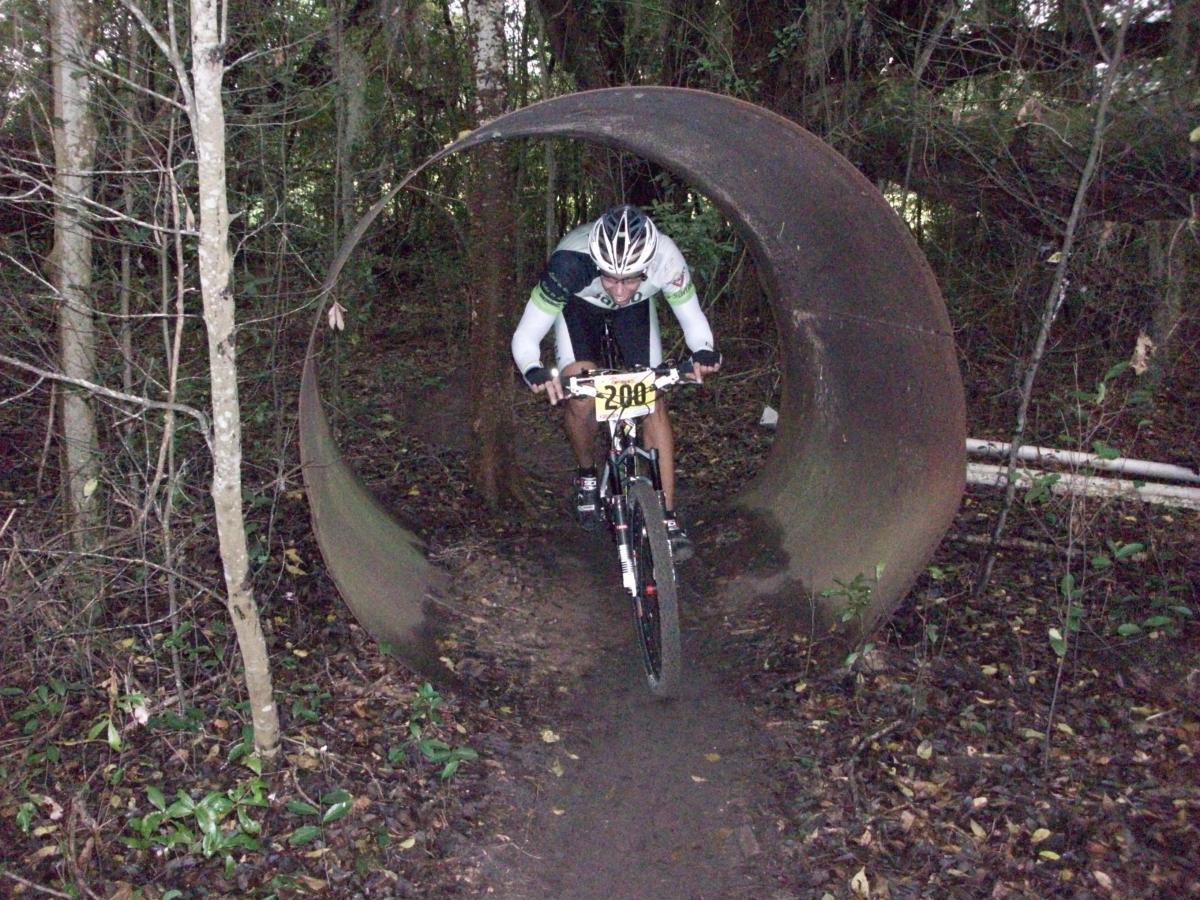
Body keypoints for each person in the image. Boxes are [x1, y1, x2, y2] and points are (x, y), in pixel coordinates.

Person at [511, 204, 722, 560]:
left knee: (652, 396)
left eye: (630, 278)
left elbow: (694, 322)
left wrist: (703, 352)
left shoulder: (665, 260)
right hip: (579, 309)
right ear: (596, 263)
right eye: (610, 277)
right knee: (580, 395)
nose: (620, 290)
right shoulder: (569, 265)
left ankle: (667, 518)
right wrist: (533, 369)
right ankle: (587, 474)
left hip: (636, 315)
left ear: (647, 265)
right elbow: (526, 336)